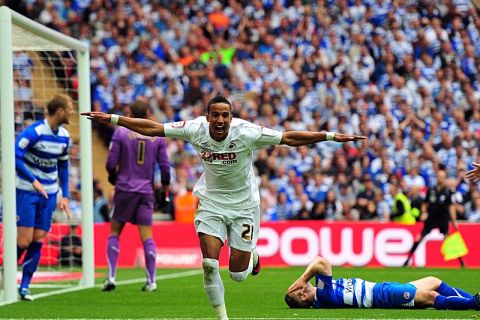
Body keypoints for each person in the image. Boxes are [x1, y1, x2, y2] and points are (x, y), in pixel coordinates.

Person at [82, 95, 366, 319]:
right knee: (208, 264)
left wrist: (329, 136)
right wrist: (113, 118)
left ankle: (251, 256)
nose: (220, 119)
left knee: (238, 275)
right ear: (208, 117)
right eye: (215, 114)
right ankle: (222, 317)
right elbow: (153, 128)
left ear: (231, 118)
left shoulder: (247, 132)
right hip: (211, 202)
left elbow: (288, 138)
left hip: (244, 205)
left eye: (225, 115)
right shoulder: (194, 129)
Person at [102, 100, 171, 293]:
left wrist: (114, 178)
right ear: (148, 114)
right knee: (147, 236)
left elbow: (111, 162)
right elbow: (165, 167)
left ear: (130, 112)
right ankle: (151, 280)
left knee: (115, 231)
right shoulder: (157, 136)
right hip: (145, 191)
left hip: (124, 188)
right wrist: (164, 192)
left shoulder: (121, 132)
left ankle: (111, 277)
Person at [16, 93, 74, 301]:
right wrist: (33, 180)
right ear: (60, 111)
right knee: (24, 242)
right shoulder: (34, 133)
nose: (72, 112)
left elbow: (64, 167)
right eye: (70, 108)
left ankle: (24, 286)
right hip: (27, 190)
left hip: (49, 194)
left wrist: (65, 195)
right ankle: (6, 272)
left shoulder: (65, 137)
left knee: (39, 239)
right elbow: (15, 156)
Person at [285, 256, 480, 310]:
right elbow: (322, 262)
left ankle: (473, 300)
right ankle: (474, 304)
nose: (301, 284)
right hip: (382, 297)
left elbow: (320, 262)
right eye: (299, 288)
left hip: (382, 289)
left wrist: (304, 280)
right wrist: (303, 278)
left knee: (433, 281)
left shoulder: (321, 292)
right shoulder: (323, 295)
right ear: (303, 295)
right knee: (431, 297)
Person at [403, 168, 464, 267]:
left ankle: (461, 262)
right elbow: (425, 203)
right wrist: (423, 212)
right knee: (420, 237)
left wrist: (454, 220)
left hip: (443, 217)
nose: (440, 178)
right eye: (438, 176)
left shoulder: (449, 191)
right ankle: (407, 260)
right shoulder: (431, 189)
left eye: (442, 177)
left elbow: (451, 207)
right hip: (431, 217)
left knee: (448, 239)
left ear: (445, 178)